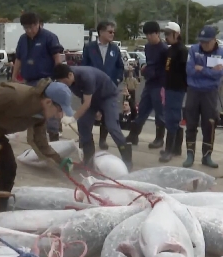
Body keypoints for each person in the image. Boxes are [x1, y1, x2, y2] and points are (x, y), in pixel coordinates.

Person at [0, 79, 73, 212]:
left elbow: (40, 141)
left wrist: (59, 161)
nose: (59, 116)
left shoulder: (40, 115)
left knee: (9, 167)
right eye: (59, 110)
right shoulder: (13, 95)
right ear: (48, 102)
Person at [52, 64, 133, 169]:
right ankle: (88, 159)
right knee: (83, 124)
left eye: (64, 81)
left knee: (112, 126)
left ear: (70, 75)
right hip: (91, 98)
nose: (64, 84)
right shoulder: (66, 77)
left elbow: (86, 103)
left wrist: (73, 118)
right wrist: (59, 110)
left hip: (107, 96)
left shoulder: (86, 77)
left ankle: (127, 160)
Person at [13, 12, 64, 141]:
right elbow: (18, 59)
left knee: (50, 111)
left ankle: (54, 138)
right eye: (26, 28)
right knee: (33, 112)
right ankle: (37, 139)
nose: (29, 31)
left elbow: (57, 57)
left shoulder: (49, 37)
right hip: (29, 81)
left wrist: (59, 77)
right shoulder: (22, 39)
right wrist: (14, 76)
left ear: (37, 24)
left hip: (47, 81)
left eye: (31, 27)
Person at [182, 25, 223, 168]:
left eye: (207, 42)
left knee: (209, 124)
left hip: (210, 92)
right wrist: (209, 70)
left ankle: (207, 155)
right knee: (191, 122)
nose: (204, 44)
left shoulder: (222, 53)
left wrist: (201, 69)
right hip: (193, 90)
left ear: (214, 40)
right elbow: (189, 70)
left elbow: (219, 75)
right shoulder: (194, 49)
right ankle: (190, 154)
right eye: (201, 41)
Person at [125, 21, 168, 149]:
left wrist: (150, 71)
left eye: (151, 34)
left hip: (159, 84)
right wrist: (144, 68)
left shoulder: (164, 49)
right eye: (146, 34)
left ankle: (159, 138)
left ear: (158, 33)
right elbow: (148, 63)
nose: (149, 37)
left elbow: (165, 69)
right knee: (142, 109)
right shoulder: (148, 47)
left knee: (160, 113)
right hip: (149, 83)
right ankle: (134, 135)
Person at [82, 21, 124, 150]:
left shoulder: (115, 49)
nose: (112, 34)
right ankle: (86, 143)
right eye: (110, 32)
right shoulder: (89, 47)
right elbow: (85, 66)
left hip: (108, 89)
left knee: (108, 117)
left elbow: (119, 67)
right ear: (101, 32)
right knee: (87, 117)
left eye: (113, 32)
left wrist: (116, 80)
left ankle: (103, 140)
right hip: (92, 88)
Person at [159, 22, 187, 163]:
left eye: (169, 34)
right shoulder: (170, 50)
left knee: (172, 118)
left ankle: (170, 149)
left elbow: (185, 71)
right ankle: (175, 148)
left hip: (177, 88)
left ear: (177, 34)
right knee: (170, 117)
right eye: (166, 34)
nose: (166, 36)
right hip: (169, 88)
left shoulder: (182, 50)